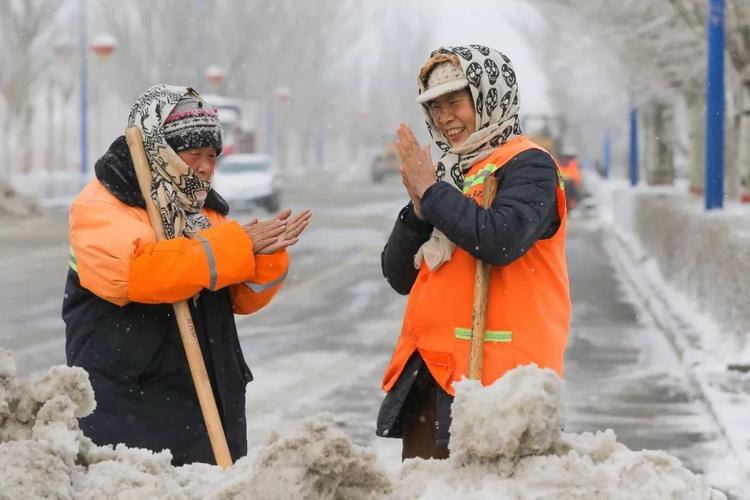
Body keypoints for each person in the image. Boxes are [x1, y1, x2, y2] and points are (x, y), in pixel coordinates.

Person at [63, 84, 311, 466]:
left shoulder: (201, 210)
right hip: (133, 401)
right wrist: (233, 247)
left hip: (207, 400)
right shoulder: (102, 204)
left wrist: (265, 254)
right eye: (195, 154)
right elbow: (137, 276)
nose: (207, 167)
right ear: (157, 149)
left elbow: (240, 298)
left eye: (213, 156)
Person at [376, 46, 570, 460]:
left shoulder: (529, 166)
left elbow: (500, 240)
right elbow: (398, 275)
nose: (445, 118)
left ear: (488, 97)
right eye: (435, 106)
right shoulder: (451, 174)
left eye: (456, 102)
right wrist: (417, 209)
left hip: (502, 384)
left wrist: (433, 192)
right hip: (433, 373)